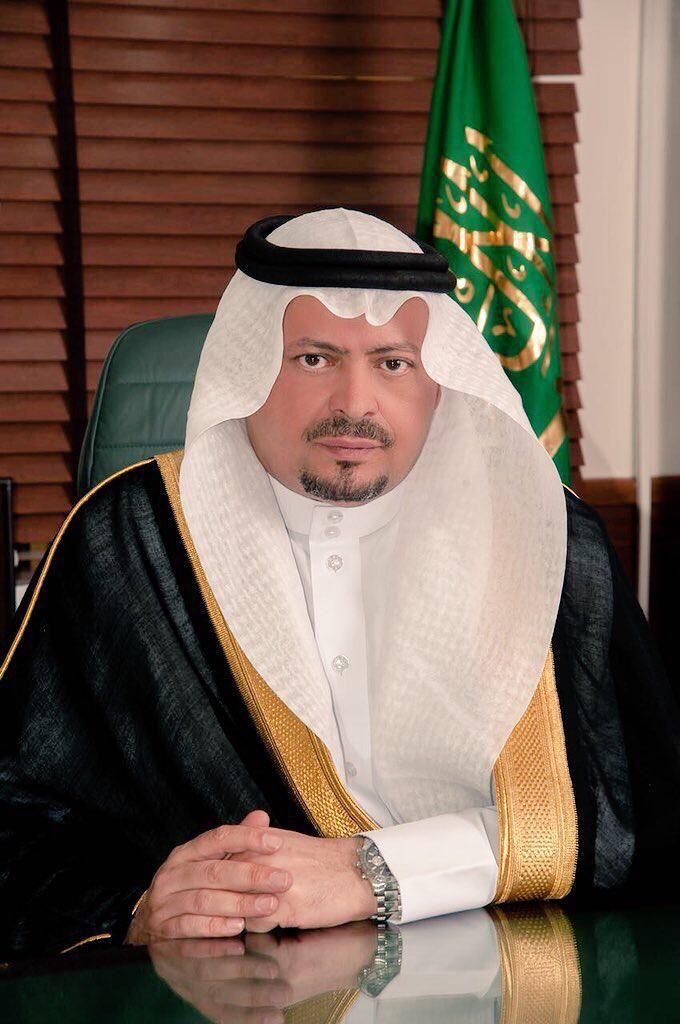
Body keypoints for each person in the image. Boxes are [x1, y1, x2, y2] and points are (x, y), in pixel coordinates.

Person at [0, 208, 675, 963]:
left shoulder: (544, 536)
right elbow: (18, 823)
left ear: (441, 380)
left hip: (514, 973)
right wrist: (137, 909)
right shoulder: (129, 538)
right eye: (315, 359)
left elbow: (636, 816)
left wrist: (371, 873)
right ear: (250, 366)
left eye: (394, 363)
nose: (355, 404)